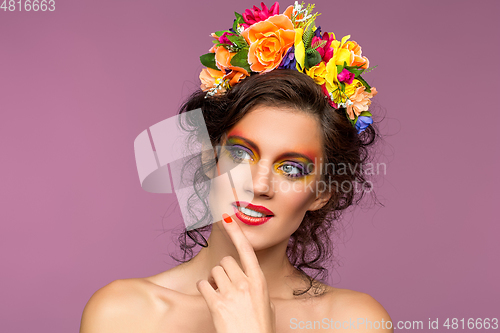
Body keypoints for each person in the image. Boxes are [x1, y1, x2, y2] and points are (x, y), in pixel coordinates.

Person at [80, 2, 392, 332]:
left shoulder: (356, 322)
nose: (258, 185)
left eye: (291, 169)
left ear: (322, 193)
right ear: (208, 158)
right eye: (242, 155)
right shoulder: (123, 315)